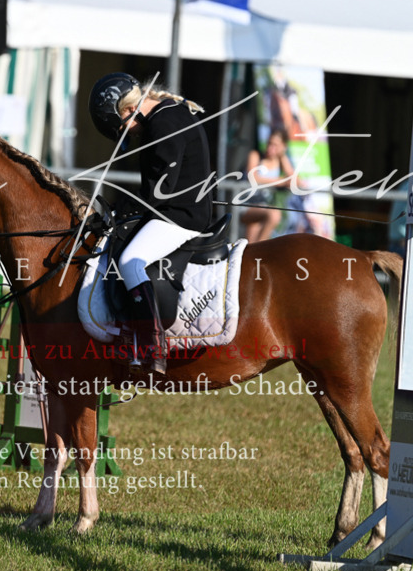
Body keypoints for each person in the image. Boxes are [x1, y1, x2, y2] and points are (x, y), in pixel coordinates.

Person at [89, 72, 214, 375]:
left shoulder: (164, 123)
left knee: (131, 261)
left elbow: (160, 189)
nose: (128, 135)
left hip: (180, 216)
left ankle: (152, 345)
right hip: (174, 209)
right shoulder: (166, 115)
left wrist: (120, 209)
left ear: (130, 109)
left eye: (123, 127)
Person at [241, 128, 294, 242]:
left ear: (283, 147)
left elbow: (293, 181)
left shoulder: (280, 160)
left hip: (262, 207)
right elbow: (253, 178)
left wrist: (283, 157)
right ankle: (261, 248)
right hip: (245, 205)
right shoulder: (256, 155)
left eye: (275, 145)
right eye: (269, 143)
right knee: (274, 215)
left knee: (251, 245)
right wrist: (280, 181)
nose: (270, 148)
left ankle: (258, 249)